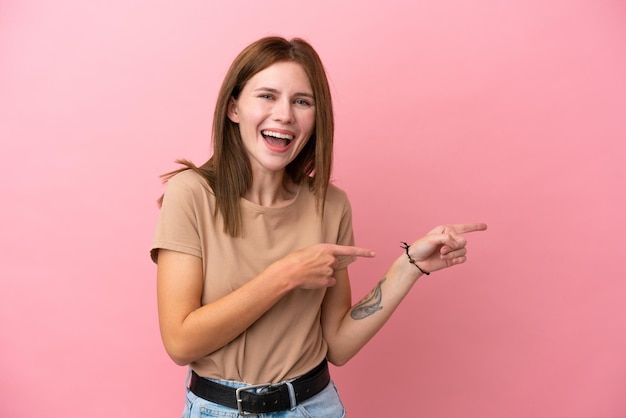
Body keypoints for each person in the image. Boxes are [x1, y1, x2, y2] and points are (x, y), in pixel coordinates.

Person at [150, 36, 487, 418]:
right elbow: (180, 342)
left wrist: (410, 265)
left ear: (315, 118)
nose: (284, 115)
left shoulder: (330, 206)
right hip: (219, 409)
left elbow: (339, 345)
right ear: (233, 108)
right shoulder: (190, 194)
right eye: (267, 96)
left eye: (302, 101)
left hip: (313, 407)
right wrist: (285, 274)